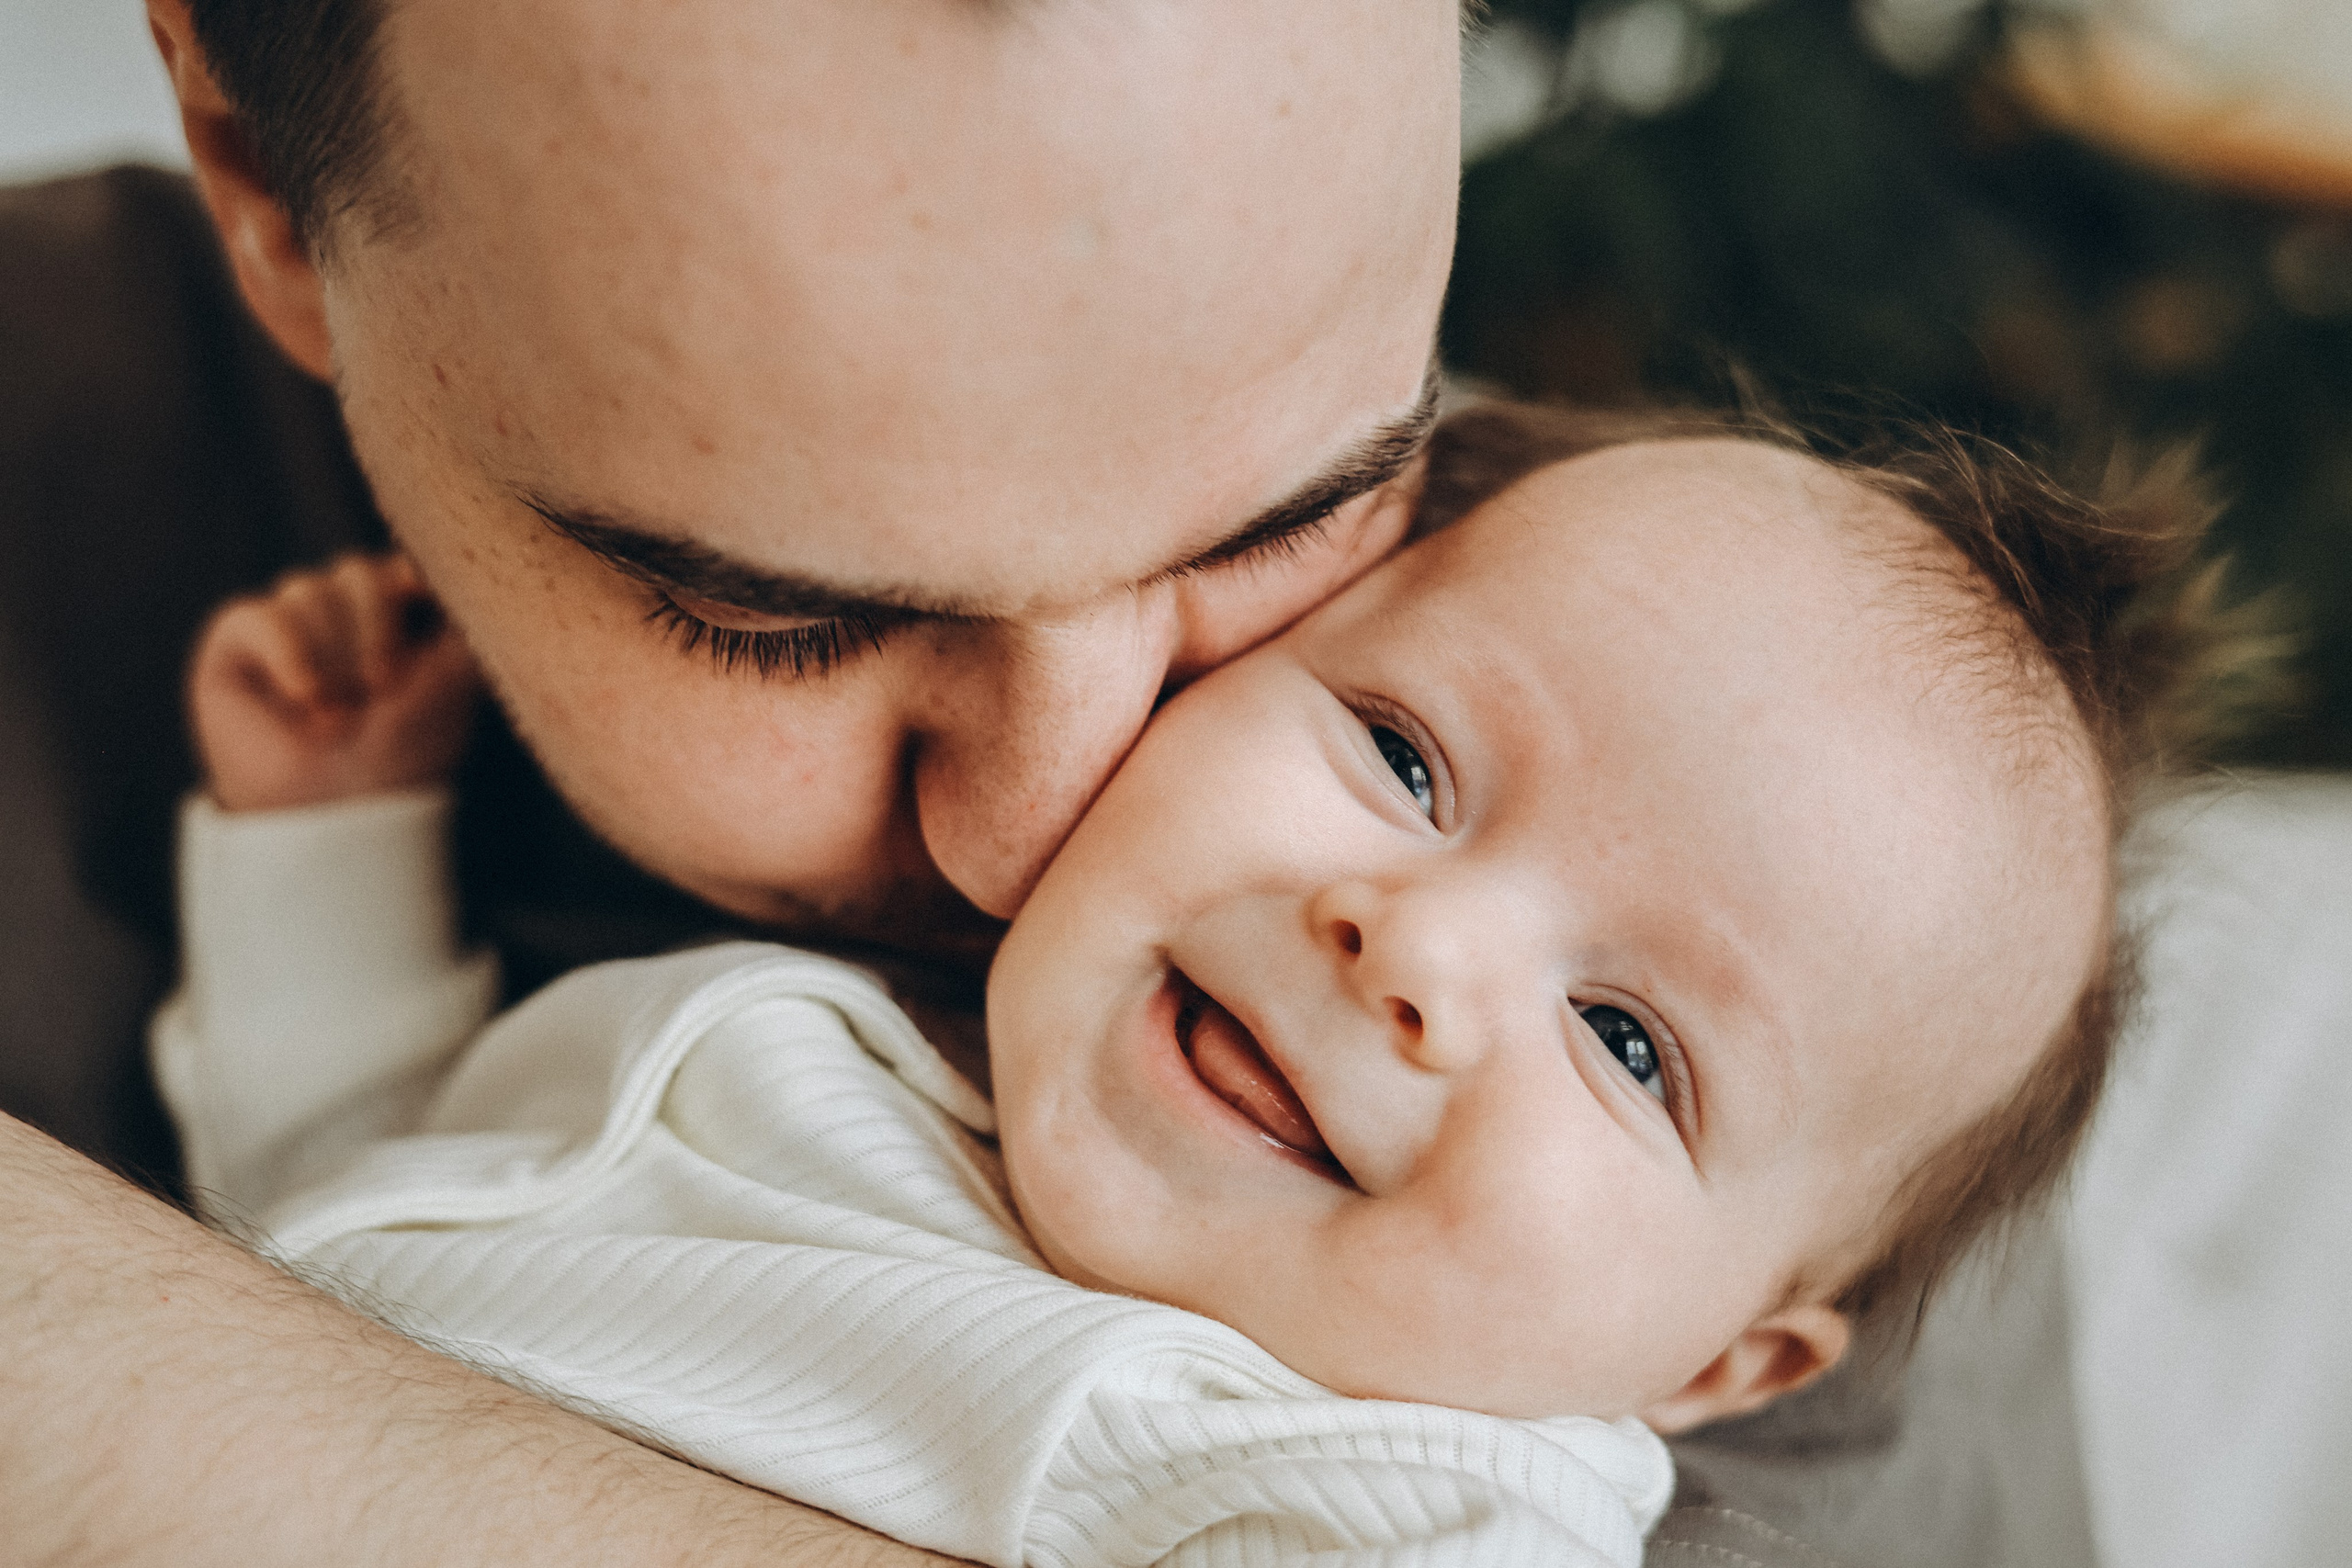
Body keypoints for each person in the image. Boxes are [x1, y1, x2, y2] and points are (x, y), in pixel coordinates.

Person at [149, 402, 2242, 1564]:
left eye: (1628, 1043)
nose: (1409, 946)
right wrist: (330, 856)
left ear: (1712, 1362)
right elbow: (334, 1202)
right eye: (1403, 760)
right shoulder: (823, 1042)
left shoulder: (1398, 1491)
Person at [1, 1, 1464, 1561]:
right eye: (780, 621)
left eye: (1289, 527)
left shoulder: (1645, 676)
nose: (1059, 832)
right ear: (266, 186)